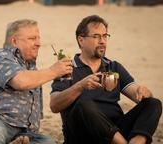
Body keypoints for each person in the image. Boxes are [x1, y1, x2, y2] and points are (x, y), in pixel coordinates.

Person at [50, 15, 162, 144]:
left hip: (115, 130)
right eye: (96, 36)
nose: (102, 41)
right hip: (82, 135)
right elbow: (54, 105)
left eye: (105, 36)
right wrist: (80, 86)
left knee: (153, 103)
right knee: (84, 105)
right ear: (81, 40)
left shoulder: (113, 66)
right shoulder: (66, 68)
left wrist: (143, 92)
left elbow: (137, 94)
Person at [0, 19, 73, 144]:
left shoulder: (33, 71)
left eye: (38, 38)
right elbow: (20, 82)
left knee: (48, 142)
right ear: (14, 41)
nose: (39, 43)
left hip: (23, 132)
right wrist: (54, 71)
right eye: (32, 38)